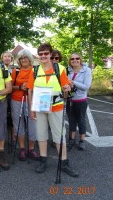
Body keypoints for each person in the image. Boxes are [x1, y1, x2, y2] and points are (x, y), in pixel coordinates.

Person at [27, 43, 78, 177]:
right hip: (39, 107)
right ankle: (43, 160)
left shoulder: (59, 68)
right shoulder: (35, 70)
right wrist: (31, 109)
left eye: (46, 53)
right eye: (41, 54)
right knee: (41, 134)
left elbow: (66, 90)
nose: (43, 56)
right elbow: (30, 90)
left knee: (59, 134)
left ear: (50, 54)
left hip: (56, 107)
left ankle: (64, 162)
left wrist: (67, 89)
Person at [10, 49, 39, 161]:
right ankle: (22, 148)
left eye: (25, 57)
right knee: (18, 124)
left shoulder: (35, 70)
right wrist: (20, 87)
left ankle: (31, 148)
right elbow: (10, 87)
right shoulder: (16, 71)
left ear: (30, 58)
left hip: (32, 100)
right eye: (21, 58)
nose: (23, 60)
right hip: (17, 100)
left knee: (32, 124)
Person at [66, 53, 92, 151]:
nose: (74, 60)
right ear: (70, 61)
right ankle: (72, 140)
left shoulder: (87, 70)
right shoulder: (68, 70)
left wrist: (72, 82)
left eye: (77, 58)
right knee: (71, 120)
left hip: (81, 100)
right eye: (72, 59)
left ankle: (81, 141)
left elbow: (86, 87)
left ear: (80, 59)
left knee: (81, 120)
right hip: (70, 99)